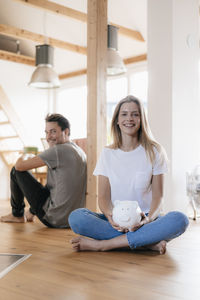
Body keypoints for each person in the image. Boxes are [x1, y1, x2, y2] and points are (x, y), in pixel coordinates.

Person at [68, 95, 189, 254]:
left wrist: (148, 219)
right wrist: (110, 217)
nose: (129, 119)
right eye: (124, 114)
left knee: (180, 219)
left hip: (145, 220)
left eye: (135, 114)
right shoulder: (107, 153)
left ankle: (104, 245)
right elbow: (103, 197)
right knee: (77, 217)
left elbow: (158, 197)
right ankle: (147, 243)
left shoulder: (155, 151)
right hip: (116, 220)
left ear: (141, 119)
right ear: (117, 120)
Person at [0, 113, 87, 228]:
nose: (48, 137)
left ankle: (17, 215)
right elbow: (52, 188)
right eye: (46, 132)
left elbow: (19, 166)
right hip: (71, 219)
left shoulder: (58, 150)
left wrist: (26, 155)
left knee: (15, 171)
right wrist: (32, 211)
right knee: (49, 185)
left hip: (54, 219)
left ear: (65, 132)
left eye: (53, 131)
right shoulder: (78, 150)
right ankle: (30, 213)